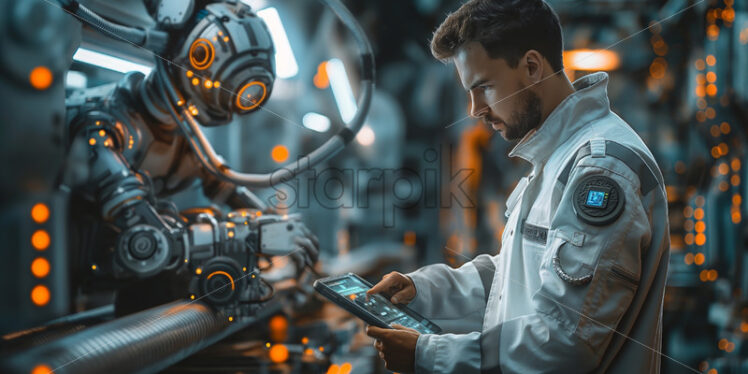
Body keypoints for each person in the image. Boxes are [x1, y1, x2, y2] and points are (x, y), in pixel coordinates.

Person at [365, 0, 670, 373]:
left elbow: (565, 343)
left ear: (531, 67)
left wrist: (430, 354)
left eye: (485, 88)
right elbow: (517, 280)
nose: (474, 109)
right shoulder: (555, 156)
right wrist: (424, 290)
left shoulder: (601, 168)